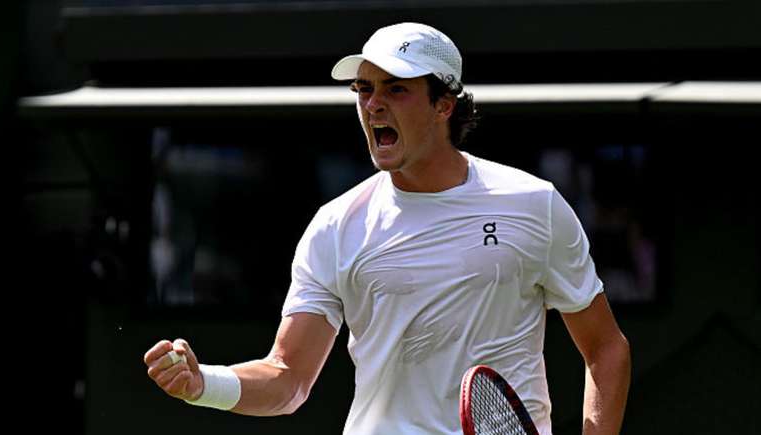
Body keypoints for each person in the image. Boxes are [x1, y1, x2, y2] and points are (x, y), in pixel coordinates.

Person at [144, 22, 631, 435]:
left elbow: (606, 349)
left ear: (444, 105)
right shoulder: (335, 226)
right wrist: (203, 384)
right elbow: (288, 378)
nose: (373, 104)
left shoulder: (534, 204)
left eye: (395, 88)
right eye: (364, 89)